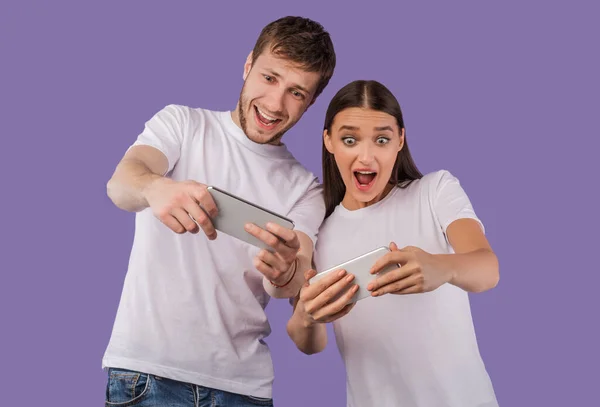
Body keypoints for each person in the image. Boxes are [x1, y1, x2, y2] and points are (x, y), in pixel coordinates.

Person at [102, 16, 336, 406]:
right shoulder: (182, 124)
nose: (275, 104)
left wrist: (287, 272)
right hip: (148, 374)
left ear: (310, 103)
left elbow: (295, 275)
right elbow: (121, 184)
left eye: (297, 93)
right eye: (269, 78)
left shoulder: (306, 189)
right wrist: (156, 187)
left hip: (243, 389)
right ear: (248, 66)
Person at [287, 80, 500, 407]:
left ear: (400, 139)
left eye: (382, 140)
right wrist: (307, 315)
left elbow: (488, 269)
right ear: (328, 140)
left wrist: (441, 268)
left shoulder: (434, 191)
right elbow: (310, 343)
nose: (366, 156)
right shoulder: (319, 234)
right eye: (349, 139)